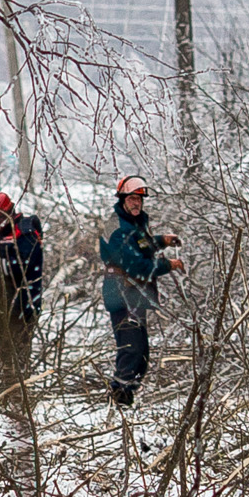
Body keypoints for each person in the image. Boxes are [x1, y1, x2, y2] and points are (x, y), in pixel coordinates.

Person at [97, 174, 182, 408]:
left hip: (133, 294)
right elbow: (135, 264)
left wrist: (161, 241)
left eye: (139, 199)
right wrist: (168, 265)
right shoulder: (117, 228)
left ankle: (127, 397)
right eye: (132, 198)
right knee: (131, 349)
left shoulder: (132, 224)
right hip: (122, 293)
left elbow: (140, 245)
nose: (136, 203)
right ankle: (120, 400)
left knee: (141, 351)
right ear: (123, 199)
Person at [0, 189, 46, 416]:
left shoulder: (24, 232)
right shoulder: (0, 235)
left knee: (18, 352)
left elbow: (21, 267)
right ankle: (10, 393)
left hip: (22, 304)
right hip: (4, 306)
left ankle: (19, 397)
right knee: (5, 352)